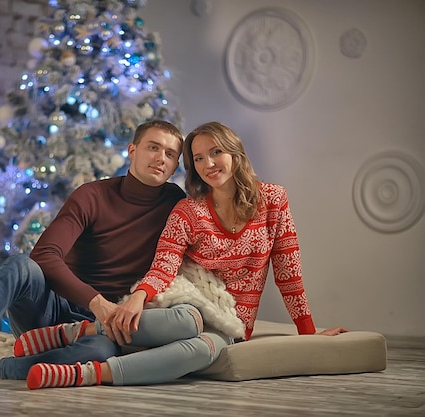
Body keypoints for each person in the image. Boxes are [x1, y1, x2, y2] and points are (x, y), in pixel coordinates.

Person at [20, 121, 348, 390]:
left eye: (215, 153)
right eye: (198, 159)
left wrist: (308, 332)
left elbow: (288, 272)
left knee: (203, 348)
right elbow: (165, 264)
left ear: (236, 154)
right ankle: (80, 335)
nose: (208, 164)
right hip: (189, 304)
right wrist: (139, 297)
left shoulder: (273, 200)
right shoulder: (187, 210)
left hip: (234, 321)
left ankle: (85, 364)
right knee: (189, 320)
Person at [0, 119, 186, 394]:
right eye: (153, 147)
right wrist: (97, 302)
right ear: (132, 151)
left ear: (176, 166)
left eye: (170, 154)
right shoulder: (93, 195)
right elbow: (45, 254)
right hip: (52, 311)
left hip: (99, 330)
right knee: (21, 265)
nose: (160, 158)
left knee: (99, 352)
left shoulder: (176, 205)